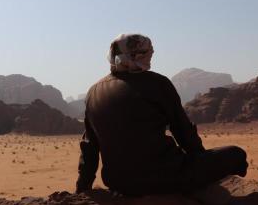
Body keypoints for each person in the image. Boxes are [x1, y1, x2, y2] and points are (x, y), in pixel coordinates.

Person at [76, 33, 248, 196]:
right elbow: (184, 133)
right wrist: (201, 164)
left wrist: (82, 189)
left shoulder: (93, 92)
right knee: (236, 154)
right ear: (132, 56)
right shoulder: (157, 83)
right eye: (144, 53)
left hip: (119, 183)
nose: (150, 57)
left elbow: (89, 147)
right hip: (165, 177)